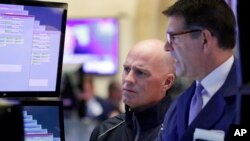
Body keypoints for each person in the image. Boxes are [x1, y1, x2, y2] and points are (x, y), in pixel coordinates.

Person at [157, 0, 238, 141]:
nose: (167, 47)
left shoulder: (242, 96)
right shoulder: (180, 104)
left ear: (204, 39)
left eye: (173, 37)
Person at [89, 39, 175, 141]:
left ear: (167, 82)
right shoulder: (104, 133)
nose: (128, 79)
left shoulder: (181, 133)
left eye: (141, 72)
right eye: (127, 69)